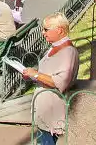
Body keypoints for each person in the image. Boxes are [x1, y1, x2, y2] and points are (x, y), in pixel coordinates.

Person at [20, 12, 79, 145]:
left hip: (52, 111)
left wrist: (35, 74)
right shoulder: (54, 48)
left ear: (59, 30)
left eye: (46, 29)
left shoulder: (68, 51)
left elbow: (61, 81)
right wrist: (32, 76)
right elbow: (48, 74)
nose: (43, 33)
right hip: (44, 110)